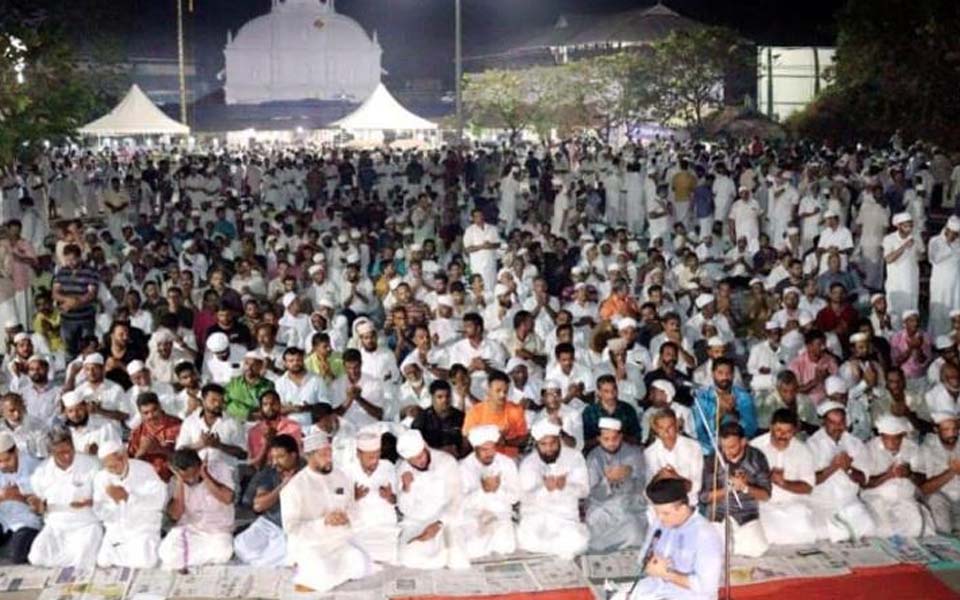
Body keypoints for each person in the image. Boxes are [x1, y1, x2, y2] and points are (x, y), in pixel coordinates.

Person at [617, 478, 722, 600]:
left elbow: (707, 588)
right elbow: (643, 558)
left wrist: (667, 574)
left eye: (665, 513)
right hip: (655, 588)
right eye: (657, 513)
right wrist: (649, 563)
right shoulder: (660, 523)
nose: (660, 518)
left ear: (683, 508)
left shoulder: (705, 535)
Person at [27, 426, 103, 567]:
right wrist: (38, 507)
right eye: (60, 453)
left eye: (69, 451)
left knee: (84, 557)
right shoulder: (41, 472)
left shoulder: (92, 465)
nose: (67, 456)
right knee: (36, 557)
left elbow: (105, 499)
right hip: (56, 526)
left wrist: (91, 502)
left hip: (86, 525)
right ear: (51, 452)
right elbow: (39, 506)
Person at [395, 428, 469, 569]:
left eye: (420, 456)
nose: (419, 462)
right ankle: (438, 553)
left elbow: (456, 498)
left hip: (445, 520)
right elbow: (405, 509)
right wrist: (406, 489)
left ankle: (443, 550)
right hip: (417, 523)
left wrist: (439, 524)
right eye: (413, 460)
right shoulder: (403, 469)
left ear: (425, 445)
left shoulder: (446, 462)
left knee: (458, 560)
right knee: (407, 556)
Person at [517, 420, 590, 560]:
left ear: (559, 441)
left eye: (553, 443)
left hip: (566, 517)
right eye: (543, 444)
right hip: (537, 517)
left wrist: (566, 486)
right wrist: (544, 489)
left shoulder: (574, 457)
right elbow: (523, 497)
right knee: (527, 539)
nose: (549, 448)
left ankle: (557, 547)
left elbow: (584, 491)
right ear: (537, 445)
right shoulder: (529, 463)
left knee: (578, 541)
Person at [806, 401, 877, 541]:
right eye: (832, 422)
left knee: (869, 527)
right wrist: (833, 467)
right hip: (822, 504)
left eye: (841, 422)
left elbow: (863, 480)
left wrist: (848, 469)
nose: (837, 427)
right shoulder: (811, 445)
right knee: (820, 534)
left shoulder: (855, 444)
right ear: (823, 423)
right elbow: (809, 482)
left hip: (849, 502)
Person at [92, 440, 167, 568]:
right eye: (108, 467)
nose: (112, 471)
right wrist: (112, 508)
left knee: (146, 562)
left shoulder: (144, 470)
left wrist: (128, 498)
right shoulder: (101, 478)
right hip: (117, 531)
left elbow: (158, 502)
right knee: (103, 562)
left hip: (142, 529)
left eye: (114, 466)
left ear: (125, 457)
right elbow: (98, 509)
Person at [700, 422, 771, 557]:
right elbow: (704, 497)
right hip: (719, 514)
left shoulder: (757, 457)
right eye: (723, 447)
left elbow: (766, 495)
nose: (727, 452)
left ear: (744, 442)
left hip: (746, 513)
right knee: (715, 552)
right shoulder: (713, 459)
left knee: (756, 550)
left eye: (732, 447)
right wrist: (727, 489)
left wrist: (745, 487)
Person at [158, 448, 236, 570]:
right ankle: (196, 563)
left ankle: (187, 563)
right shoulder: (175, 481)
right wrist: (180, 481)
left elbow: (227, 498)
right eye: (186, 477)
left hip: (217, 531)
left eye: (194, 475)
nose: (191, 480)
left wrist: (206, 476)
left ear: (200, 465)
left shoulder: (219, 468)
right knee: (166, 552)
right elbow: (175, 515)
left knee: (224, 552)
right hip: (190, 530)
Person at [748, 409, 817, 545]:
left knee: (806, 535)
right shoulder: (755, 447)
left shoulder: (803, 450)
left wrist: (784, 483)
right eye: (779, 430)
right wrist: (766, 478)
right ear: (771, 427)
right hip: (764, 505)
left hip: (793, 505)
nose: (782, 436)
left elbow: (808, 487)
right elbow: (746, 483)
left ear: (795, 431)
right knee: (764, 537)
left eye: (788, 432)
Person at [234, 434, 302, 567]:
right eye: (273, 457)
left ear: (293, 455)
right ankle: (270, 560)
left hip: (294, 527)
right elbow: (258, 506)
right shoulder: (271, 471)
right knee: (240, 545)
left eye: (280, 457)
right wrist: (282, 486)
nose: (275, 462)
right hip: (269, 524)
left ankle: (268, 560)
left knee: (292, 551)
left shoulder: (306, 471)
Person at [862, 414, 932, 537]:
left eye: (896, 438)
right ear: (881, 436)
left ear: (902, 436)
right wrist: (888, 475)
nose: (892, 443)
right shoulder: (869, 449)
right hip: (877, 498)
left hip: (905, 498)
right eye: (887, 438)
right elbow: (865, 483)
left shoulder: (912, 448)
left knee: (917, 526)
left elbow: (922, 478)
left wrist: (909, 474)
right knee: (882, 530)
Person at [457, 424, 520, 559]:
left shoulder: (507, 463)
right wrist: (482, 491)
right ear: (475, 449)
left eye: (493, 448)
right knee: (472, 549)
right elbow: (459, 503)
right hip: (473, 516)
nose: (490, 454)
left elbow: (515, 496)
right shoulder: (463, 467)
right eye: (485, 449)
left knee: (507, 547)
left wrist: (497, 490)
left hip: (499, 513)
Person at [585, 417, 647, 552]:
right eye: (606, 439)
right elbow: (593, 492)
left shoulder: (634, 453)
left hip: (629, 505)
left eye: (615, 438)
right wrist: (608, 481)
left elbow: (642, 485)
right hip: (602, 506)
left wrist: (629, 476)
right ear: (599, 439)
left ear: (621, 436)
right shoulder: (593, 457)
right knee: (594, 529)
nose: (611, 443)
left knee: (635, 530)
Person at [344, 429, 399, 565]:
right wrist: (353, 497)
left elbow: (397, 501)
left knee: (389, 554)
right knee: (355, 555)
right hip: (359, 527)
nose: (374, 461)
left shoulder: (388, 467)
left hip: (385, 527)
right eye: (370, 457)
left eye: (377, 456)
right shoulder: (347, 471)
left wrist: (390, 497)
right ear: (358, 454)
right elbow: (339, 504)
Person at [692, 358, 758, 455]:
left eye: (728, 373)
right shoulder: (703, 397)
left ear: (733, 375)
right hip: (712, 448)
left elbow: (751, 428)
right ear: (713, 374)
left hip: (738, 446)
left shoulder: (743, 397)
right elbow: (700, 431)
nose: (724, 377)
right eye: (720, 373)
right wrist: (721, 412)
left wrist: (734, 412)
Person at [462, 370, 528, 458]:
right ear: (488, 390)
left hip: (509, 459)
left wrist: (505, 442)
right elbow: (467, 440)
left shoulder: (516, 410)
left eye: (505, 392)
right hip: (483, 459)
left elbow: (523, 439)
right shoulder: (475, 412)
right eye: (498, 391)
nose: (502, 395)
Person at [0, 430, 41, 563]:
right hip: (4, 520)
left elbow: (42, 504)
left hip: (28, 521)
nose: (3, 465)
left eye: (7, 460)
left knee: (18, 555)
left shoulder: (36, 468)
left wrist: (18, 496)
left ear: (16, 451)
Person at [920, 411, 960, 534]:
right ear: (936, 430)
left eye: (955, 429)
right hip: (941, 498)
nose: (952, 434)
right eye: (946, 429)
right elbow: (924, 489)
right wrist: (952, 471)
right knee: (944, 530)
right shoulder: (927, 449)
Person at [128, 392, 182, 482]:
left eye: (154, 410)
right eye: (146, 413)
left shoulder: (179, 426)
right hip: (147, 482)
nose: (151, 416)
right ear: (140, 413)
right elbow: (130, 464)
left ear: (160, 406)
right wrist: (142, 451)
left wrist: (159, 449)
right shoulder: (137, 432)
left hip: (175, 480)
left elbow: (188, 459)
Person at [883, 212, 923, 318]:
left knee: (911, 312)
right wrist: (904, 246)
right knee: (895, 313)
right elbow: (888, 259)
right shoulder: (889, 239)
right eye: (906, 226)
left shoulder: (916, 237)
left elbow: (923, 256)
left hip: (911, 281)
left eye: (910, 225)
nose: (909, 229)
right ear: (898, 226)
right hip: (896, 283)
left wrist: (919, 254)